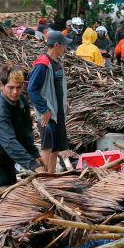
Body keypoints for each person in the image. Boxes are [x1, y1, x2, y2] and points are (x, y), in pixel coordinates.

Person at [0, 65, 44, 186]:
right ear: (1, 85)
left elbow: (26, 132)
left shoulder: (22, 101)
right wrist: (33, 165)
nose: (15, 92)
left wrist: (34, 154)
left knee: (10, 186)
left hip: (6, 152)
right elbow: (9, 142)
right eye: (11, 87)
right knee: (0, 190)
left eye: (18, 87)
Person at [28, 31, 70, 175]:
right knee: (47, 146)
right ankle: (43, 178)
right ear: (57, 45)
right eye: (64, 45)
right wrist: (44, 109)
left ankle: (50, 176)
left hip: (58, 113)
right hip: (48, 114)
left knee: (56, 147)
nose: (66, 48)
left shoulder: (58, 63)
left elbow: (59, 87)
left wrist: (65, 103)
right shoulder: (42, 64)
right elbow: (32, 89)